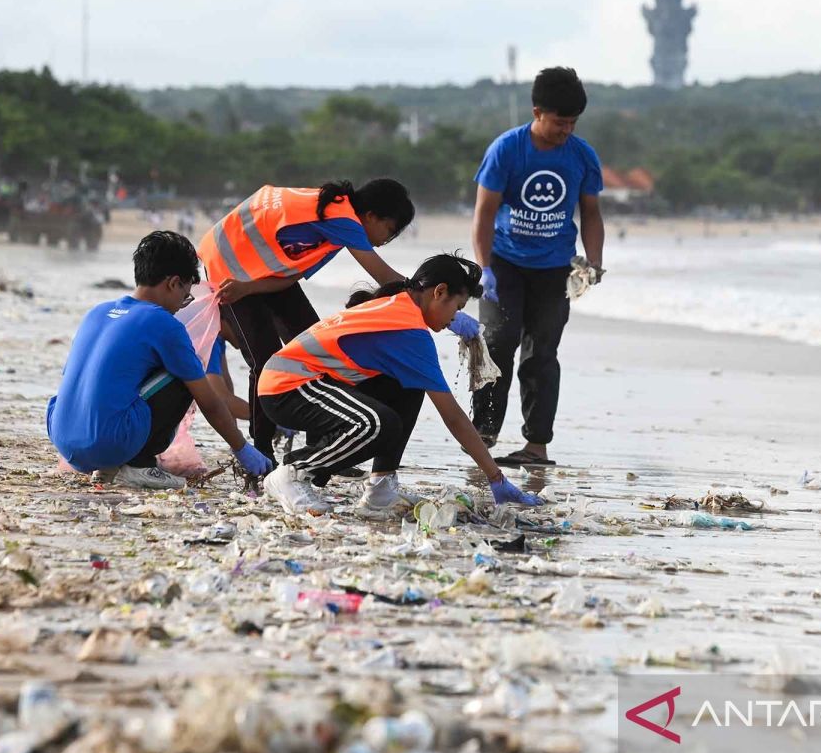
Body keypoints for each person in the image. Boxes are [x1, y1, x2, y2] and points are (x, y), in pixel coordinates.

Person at [198, 179, 480, 463]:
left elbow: (290, 275)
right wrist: (437, 305)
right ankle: (260, 454)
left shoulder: (333, 225)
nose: (386, 241)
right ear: (370, 216)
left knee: (312, 342)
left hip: (257, 272)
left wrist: (251, 288)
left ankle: (325, 446)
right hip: (227, 266)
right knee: (263, 358)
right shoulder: (340, 217)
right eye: (390, 231)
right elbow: (383, 275)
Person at [257, 254, 542, 518]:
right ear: (439, 292)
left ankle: (380, 488)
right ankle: (293, 473)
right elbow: (453, 417)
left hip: (312, 384)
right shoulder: (409, 330)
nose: (454, 318)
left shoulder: (399, 306)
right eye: (456, 308)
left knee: (408, 386)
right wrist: (496, 478)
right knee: (377, 424)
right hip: (287, 388)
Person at [46, 231, 272, 489]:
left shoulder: (97, 312)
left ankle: (110, 464)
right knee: (187, 369)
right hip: (107, 441)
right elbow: (209, 401)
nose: (182, 305)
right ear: (173, 283)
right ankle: (138, 465)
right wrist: (242, 448)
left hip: (63, 437)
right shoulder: (163, 322)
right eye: (185, 296)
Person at [470, 67, 605, 466]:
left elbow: (592, 214)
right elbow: (483, 213)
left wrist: (593, 263)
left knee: (541, 354)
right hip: (504, 263)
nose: (566, 130)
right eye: (560, 122)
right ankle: (484, 435)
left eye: (573, 123)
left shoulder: (582, 156)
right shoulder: (507, 150)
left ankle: (536, 446)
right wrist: (484, 270)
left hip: (554, 268)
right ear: (537, 112)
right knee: (496, 344)